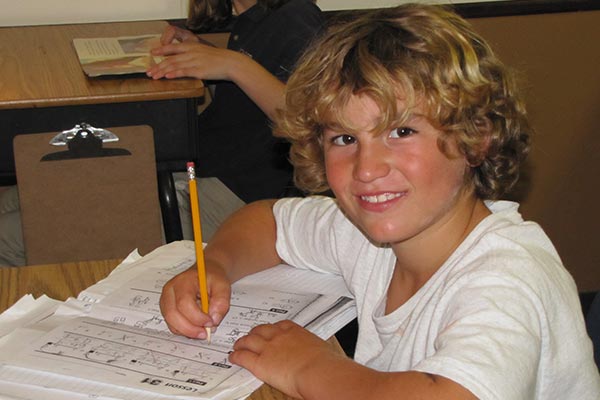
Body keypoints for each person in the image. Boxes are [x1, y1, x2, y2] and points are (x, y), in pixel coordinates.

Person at [159, 3, 600, 399]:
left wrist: (312, 369)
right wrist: (215, 265)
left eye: (402, 131)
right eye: (345, 138)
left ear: (476, 139)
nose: (367, 168)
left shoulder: (509, 275)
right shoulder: (366, 234)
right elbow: (268, 221)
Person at [147, 0, 323, 240]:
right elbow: (244, 98)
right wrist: (202, 52)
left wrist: (233, 65)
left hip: (239, 192)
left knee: (133, 210)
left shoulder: (298, 16)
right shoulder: (252, 19)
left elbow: (308, 123)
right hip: (201, 167)